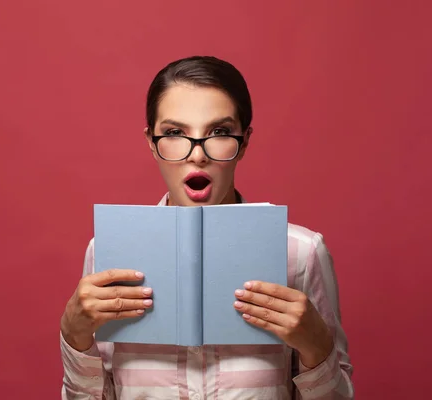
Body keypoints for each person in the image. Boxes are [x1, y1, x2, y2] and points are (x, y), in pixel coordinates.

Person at [60, 56, 354, 399]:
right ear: (151, 143)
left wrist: (317, 350)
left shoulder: (300, 252)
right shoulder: (108, 250)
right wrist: (75, 340)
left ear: (243, 142)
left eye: (219, 132)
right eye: (174, 133)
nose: (197, 155)